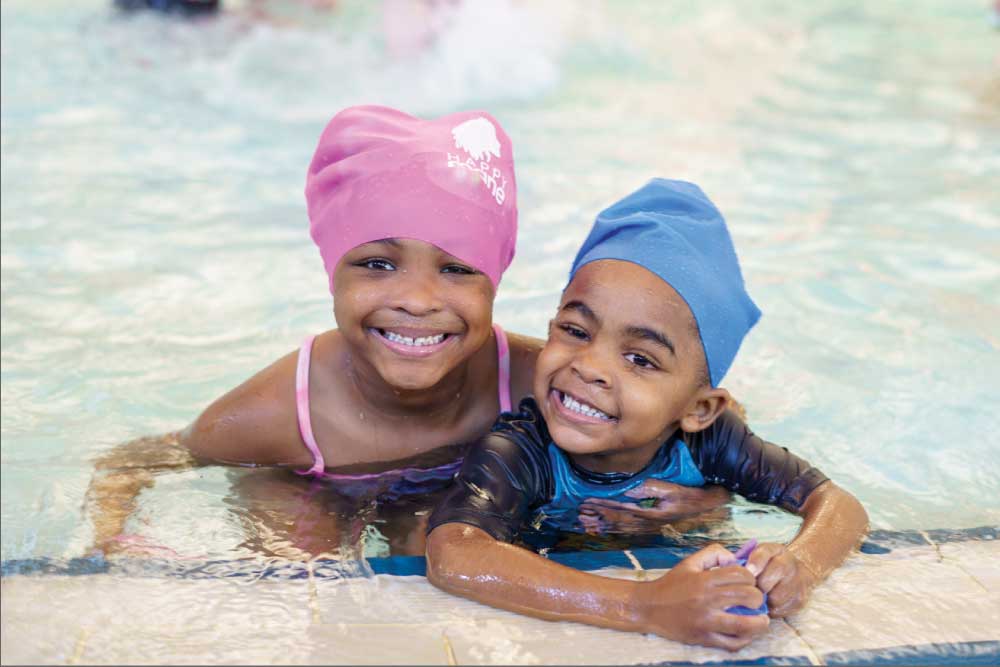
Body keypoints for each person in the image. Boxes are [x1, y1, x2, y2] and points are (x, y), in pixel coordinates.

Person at [85, 108, 731, 557]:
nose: (418, 300)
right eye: (376, 263)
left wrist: (703, 503)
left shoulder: (534, 379)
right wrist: (111, 539)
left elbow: (689, 415)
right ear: (331, 274)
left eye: (456, 268)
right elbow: (136, 460)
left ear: (494, 284)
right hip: (309, 484)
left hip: (455, 494)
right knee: (295, 563)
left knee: (445, 541)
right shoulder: (285, 409)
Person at [425, 178, 869, 651]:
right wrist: (642, 606)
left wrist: (800, 564)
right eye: (576, 330)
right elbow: (455, 554)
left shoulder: (711, 440)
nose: (589, 367)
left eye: (640, 359)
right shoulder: (519, 450)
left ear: (698, 409)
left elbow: (839, 505)